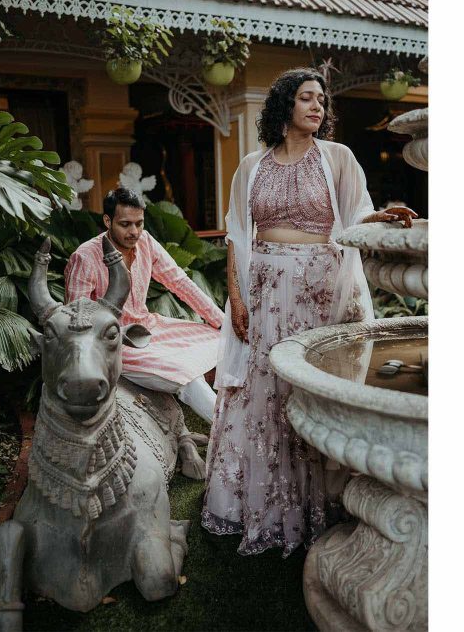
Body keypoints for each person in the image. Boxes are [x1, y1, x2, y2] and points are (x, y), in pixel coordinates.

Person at [202, 68, 417, 556]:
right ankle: (253, 507)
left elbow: (356, 212)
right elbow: (237, 236)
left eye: (322, 100)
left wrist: (381, 216)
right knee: (261, 395)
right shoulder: (251, 166)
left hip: (320, 294)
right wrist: (237, 299)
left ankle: (317, 505)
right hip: (265, 292)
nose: (318, 106)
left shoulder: (337, 158)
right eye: (306, 98)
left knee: (311, 392)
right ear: (285, 107)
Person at [64, 186, 225, 423]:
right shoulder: (85, 257)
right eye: (125, 224)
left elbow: (179, 282)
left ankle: (248, 418)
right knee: (186, 377)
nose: (134, 231)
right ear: (107, 221)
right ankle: (229, 434)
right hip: (114, 343)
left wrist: (223, 322)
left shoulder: (146, 241)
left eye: (139, 223)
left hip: (149, 326)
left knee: (227, 340)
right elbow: (77, 321)